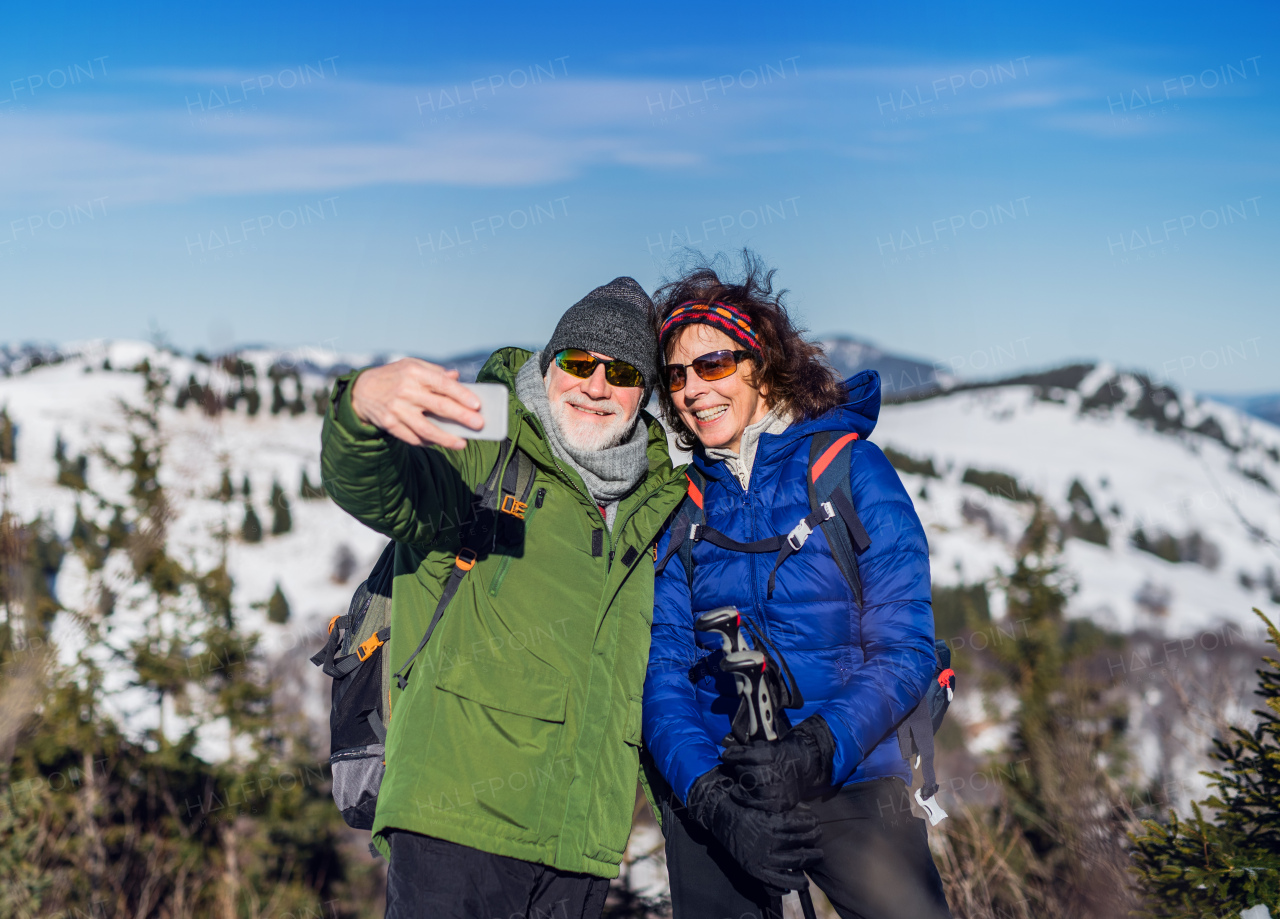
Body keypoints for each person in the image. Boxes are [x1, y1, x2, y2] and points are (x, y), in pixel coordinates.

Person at [321, 278, 689, 919]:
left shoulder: (655, 499)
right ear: (549, 368)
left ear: (644, 394)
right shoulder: (483, 454)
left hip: (582, 845)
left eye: (622, 371)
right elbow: (380, 488)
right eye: (578, 363)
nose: (596, 385)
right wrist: (359, 406)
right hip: (453, 825)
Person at [642, 254, 952, 919]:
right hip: (725, 787)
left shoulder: (851, 472)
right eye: (676, 375)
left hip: (853, 774)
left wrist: (819, 747)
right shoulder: (680, 505)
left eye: (714, 364)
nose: (693, 388)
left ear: (760, 364)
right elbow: (661, 670)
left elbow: (904, 649)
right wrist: (709, 800)